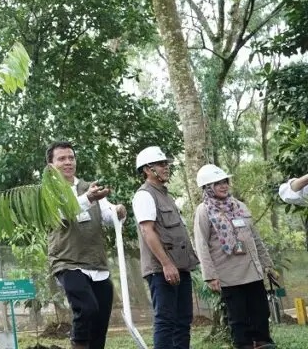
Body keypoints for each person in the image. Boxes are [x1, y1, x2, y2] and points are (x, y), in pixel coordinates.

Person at [46, 141, 126, 349]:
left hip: (96, 263)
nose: (68, 162)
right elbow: (61, 214)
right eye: (61, 158)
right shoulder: (47, 192)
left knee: (100, 316)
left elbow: (107, 216)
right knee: (87, 308)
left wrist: (118, 211)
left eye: (71, 157)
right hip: (68, 262)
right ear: (51, 165)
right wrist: (87, 199)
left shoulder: (88, 186)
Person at [193, 164, 276, 349]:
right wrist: (210, 275)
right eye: (217, 183)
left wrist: (267, 264)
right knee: (238, 317)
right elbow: (201, 245)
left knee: (261, 311)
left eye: (225, 182)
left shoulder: (239, 206)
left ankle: (262, 343)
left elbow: (255, 237)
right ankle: (244, 345)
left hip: (252, 270)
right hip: (228, 275)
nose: (223, 186)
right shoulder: (203, 210)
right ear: (208, 188)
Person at [132, 146, 199, 349]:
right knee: (166, 320)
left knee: (183, 320)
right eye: (161, 164)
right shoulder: (144, 195)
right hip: (162, 270)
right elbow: (148, 231)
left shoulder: (166, 195)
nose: (166, 168)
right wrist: (166, 264)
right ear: (147, 169)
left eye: (166, 164)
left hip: (180, 267)